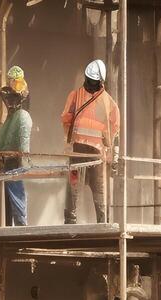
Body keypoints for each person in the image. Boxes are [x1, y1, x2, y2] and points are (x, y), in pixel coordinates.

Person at [61, 59, 120, 224]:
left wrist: (69, 140)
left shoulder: (76, 96)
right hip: (93, 152)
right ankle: (102, 223)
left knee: (76, 187)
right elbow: (114, 129)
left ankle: (71, 222)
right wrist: (109, 148)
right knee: (97, 189)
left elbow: (66, 119)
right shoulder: (108, 102)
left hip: (81, 151)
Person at [0, 67, 33, 226]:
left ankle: (21, 225)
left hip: (14, 161)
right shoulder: (10, 118)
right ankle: (10, 225)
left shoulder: (22, 117)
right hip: (5, 160)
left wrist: (22, 159)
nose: (8, 102)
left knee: (16, 193)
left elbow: (23, 141)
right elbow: (0, 135)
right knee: (10, 193)